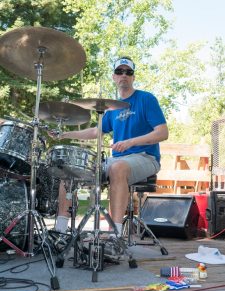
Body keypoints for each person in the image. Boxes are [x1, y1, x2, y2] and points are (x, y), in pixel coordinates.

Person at [50, 56, 169, 236]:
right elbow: (95, 132)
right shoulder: (112, 107)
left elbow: (162, 133)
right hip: (117, 159)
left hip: (146, 157)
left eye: (128, 72)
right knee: (69, 170)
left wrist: (131, 142)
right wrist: (64, 134)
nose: (124, 75)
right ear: (114, 77)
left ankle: (115, 234)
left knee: (117, 168)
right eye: (119, 71)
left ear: (133, 77)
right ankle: (60, 230)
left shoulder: (146, 99)